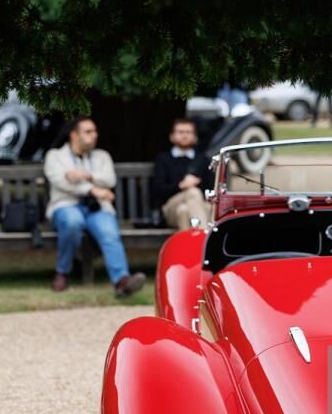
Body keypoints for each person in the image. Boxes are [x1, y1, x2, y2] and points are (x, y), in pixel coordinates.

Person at [44, 117, 146, 297]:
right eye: (88, 132)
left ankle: (122, 281)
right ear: (74, 135)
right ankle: (63, 272)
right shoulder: (55, 156)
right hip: (66, 205)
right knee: (72, 222)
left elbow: (109, 179)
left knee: (109, 232)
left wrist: (86, 175)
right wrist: (93, 189)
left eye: (95, 131)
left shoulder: (102, 156)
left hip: (97, 208)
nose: (94, 135)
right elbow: (60, 182)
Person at [152, 118, 211, 231]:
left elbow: (210, 191)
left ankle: (193, 247)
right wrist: (181, 186)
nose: (184, 136)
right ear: (172, 136)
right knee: (192, 192)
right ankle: (203, 238)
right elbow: (158, 191)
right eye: (180, 132)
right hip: (170, 208)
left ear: (195, 137)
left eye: (188, 132)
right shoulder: (163, 159)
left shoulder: (203, 160)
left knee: (183, 210)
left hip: (199, 207)